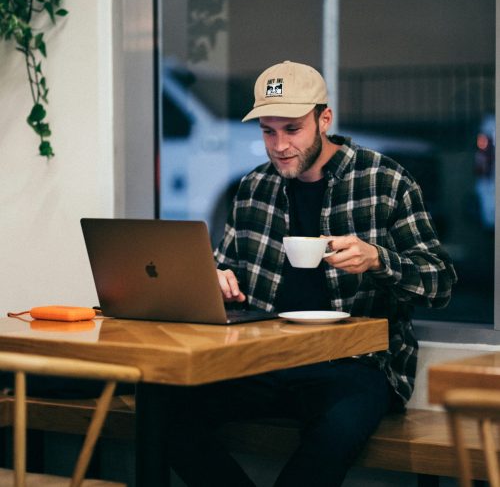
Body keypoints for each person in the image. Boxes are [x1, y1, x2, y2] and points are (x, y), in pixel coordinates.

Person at [163, 60, 457, 487]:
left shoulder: (385, 181)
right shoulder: (253, 188)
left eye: (292, 129)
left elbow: (441, 282)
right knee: (161, 406)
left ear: (324, 120)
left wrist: (379, 259)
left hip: (355, 365)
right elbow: (225, 268)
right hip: (263, 360)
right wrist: (217, 279)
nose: (279, 145)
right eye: (268, 130)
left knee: (334, 432)